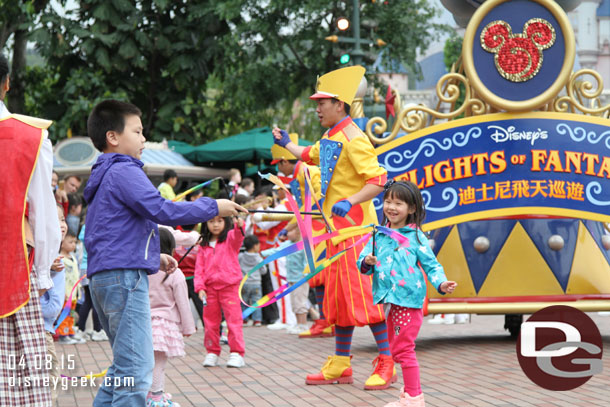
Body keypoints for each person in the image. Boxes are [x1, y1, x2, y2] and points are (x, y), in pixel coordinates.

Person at [83, 99, 246, 406]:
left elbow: (110, 234)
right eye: (138, 131)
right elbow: (161, 209)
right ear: (113, 137)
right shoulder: (122, 171)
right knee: (136, 370)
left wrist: (151, 258)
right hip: (123, 278)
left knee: (124, 370)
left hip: (107, 277)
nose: (144, 139)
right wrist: (213, 206)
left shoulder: (104, 174)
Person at [273, 66, 395, 389]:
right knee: (339, 302)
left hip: (357, 236)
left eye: (321, 103)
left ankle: (387, 360)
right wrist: (286, 143)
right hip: (337, 236)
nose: (316, 108)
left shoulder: (355, 138)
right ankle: (341, 363)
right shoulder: (330, 137)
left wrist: (352, 200)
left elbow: (378, 181)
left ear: (339, 104)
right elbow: (308, 155)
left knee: (366, 299)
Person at [358, 180, 457, 407]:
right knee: (396, 349)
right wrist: (367, 261)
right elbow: (362, 264)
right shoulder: (379, 235)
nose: (391, 207)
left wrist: (441, 283)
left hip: (408, 302)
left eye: (398, 203)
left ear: (411, 208)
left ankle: (414, 398)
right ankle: (411, 395)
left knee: (403, 350)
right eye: (387, 201)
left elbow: (432, 265)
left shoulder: (416, 237)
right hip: (389, 301)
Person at [0, 52, 61, 407]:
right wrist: (42, 275)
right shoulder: (31, 137)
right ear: (7, 84)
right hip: (13, 268)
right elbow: (43, 213)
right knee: (21, 378)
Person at [271, 133, 332, 339]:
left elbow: (319, 198)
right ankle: (322, 319)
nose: (279, 170)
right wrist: (291, 226)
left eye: (279, 165)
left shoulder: (307, 170)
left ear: (285, 161)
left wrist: (296, 225)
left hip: (319, 231)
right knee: (314, 277)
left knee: (318, 276)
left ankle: (327, 320)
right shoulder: (298, 175)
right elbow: (301, 208)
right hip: (308, 230)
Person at [147, 228, 195, 407]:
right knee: (159, 364)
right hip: (164, 326)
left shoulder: (144, 271)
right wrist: (188, 328)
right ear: (172, 250)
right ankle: (156, 398)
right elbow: (183, 303)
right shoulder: (175, 273)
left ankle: (149, 395)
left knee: (147, 363)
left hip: (144, 322)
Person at [195, 216, 246, 368]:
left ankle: (237, 353)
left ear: (226, 222)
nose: (215, 225)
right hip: (209, 290)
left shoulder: (231, 238)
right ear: (205, 224)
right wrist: (200, 287)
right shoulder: (203, 245)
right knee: (210, 323)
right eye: (211, 221)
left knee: (233, 321)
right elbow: (199, 268)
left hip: (229, 287)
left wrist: (239, 225)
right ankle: (212, 352)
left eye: (219, 221)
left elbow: (238, 236)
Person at [40, 204, 68, 405]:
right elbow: (52, 309)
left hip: (37, 328)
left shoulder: (48, 260)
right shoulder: (54, 263)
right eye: (56, 219)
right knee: (48, 383)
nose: (62, 224)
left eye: (63, 219)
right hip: (42, 332)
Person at [261, 223, 310, 334]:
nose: (287, 233)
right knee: (293, 303)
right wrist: (262, 253)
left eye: (290, 231)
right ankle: (298, 324)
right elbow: (276, 251)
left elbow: (307, 262)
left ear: (298, 232)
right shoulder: (288, 244)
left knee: (300, 303)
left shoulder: (303, 246)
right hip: (291, 279)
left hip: (300, 280)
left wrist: (306, 276)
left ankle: (303, 325)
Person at [75, 224, 107, 342]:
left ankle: (81, 329)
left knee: (88, 301)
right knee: (95, 302)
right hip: (93, 267)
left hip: (84, 267)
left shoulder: (85, 227)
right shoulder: (97, 227)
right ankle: (97, 331)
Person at [56, 230, 85, 344]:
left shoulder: (73, 258)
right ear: (62, 243)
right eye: (70, 242)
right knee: (65, 314)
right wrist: (63, 292)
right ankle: (63, 334)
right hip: (65, 293)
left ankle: (70, 332)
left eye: (74, 242)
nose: (73, 244)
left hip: (73, 294)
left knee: (71, 314)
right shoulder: (60, 259)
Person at [239, 235, 266, 326]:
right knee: (256, 302)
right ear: (255, 246)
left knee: (243, 302)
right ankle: (257, 320)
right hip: (256, 283)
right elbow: (264, 270)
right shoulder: (258, 258)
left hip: (244, 283)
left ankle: (244, 319)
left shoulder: (241, 256)